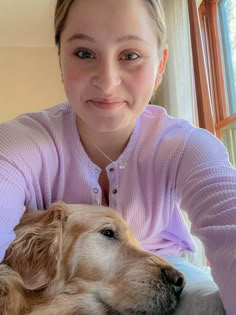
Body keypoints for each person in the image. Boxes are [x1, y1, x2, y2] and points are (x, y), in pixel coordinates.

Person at [0, 0, 235, 314]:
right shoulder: (20, 143)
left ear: (160, 66)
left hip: (172, 270)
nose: (107, 81)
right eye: (84, 53)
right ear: (61, 60)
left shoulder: (188, 146)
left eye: (130, 55)